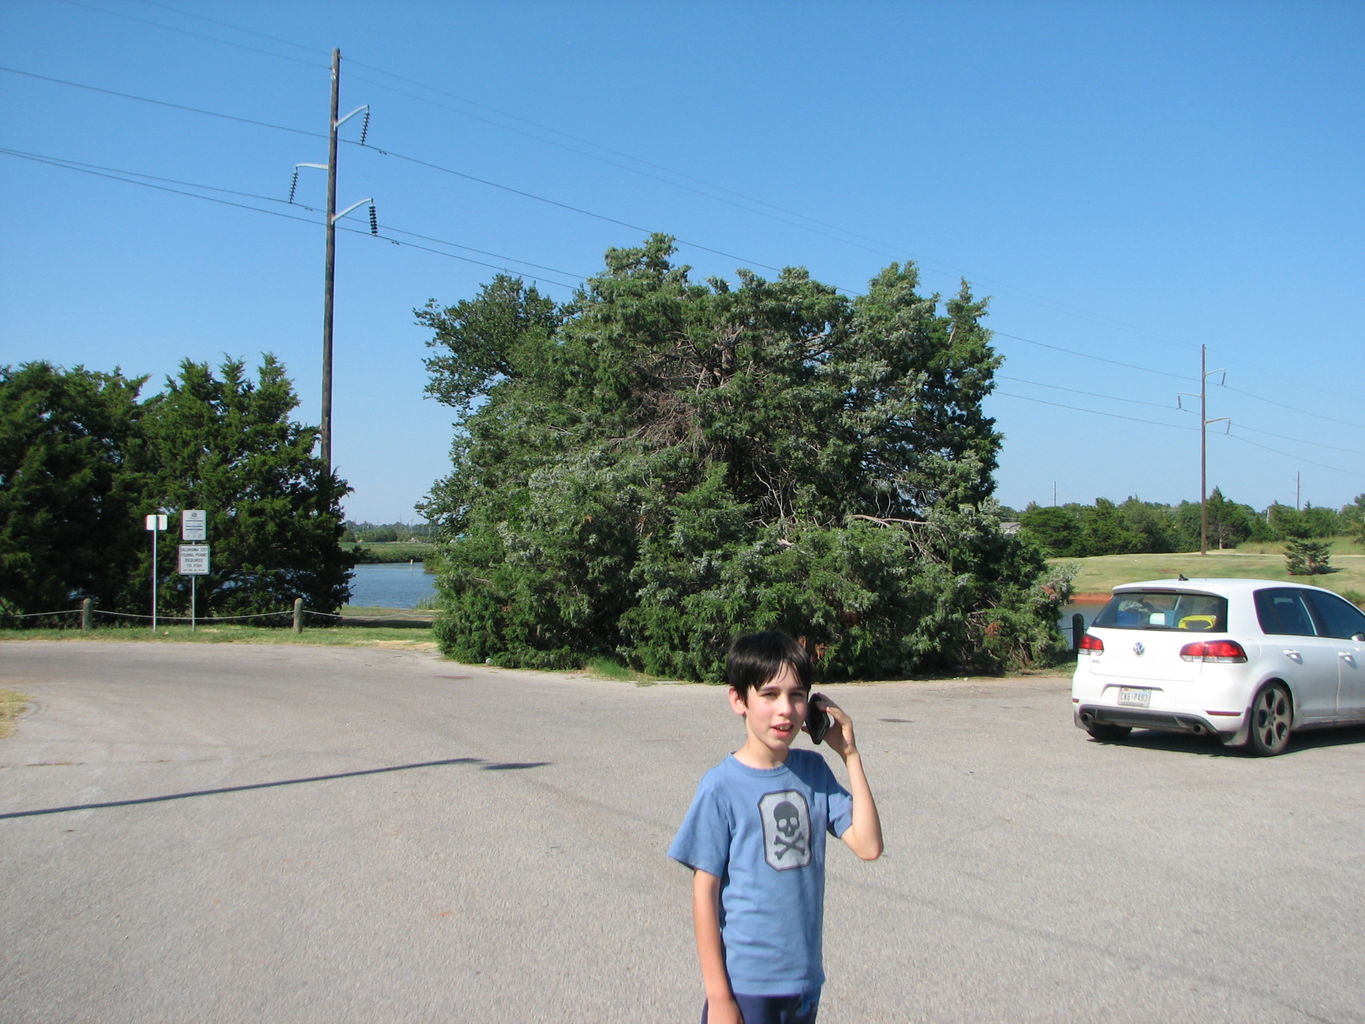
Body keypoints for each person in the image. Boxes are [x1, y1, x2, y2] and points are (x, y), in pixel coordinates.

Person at [669, 631, 884, 1024]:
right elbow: (705, 894)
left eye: (797, 695)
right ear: (739, 700)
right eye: (769, 695)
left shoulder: (814, 773)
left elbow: (868, 846)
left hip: (803, 981)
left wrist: (849, 754)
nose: (785, 709)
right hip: (746, 985)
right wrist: (718, 997)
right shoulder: (721, 786)